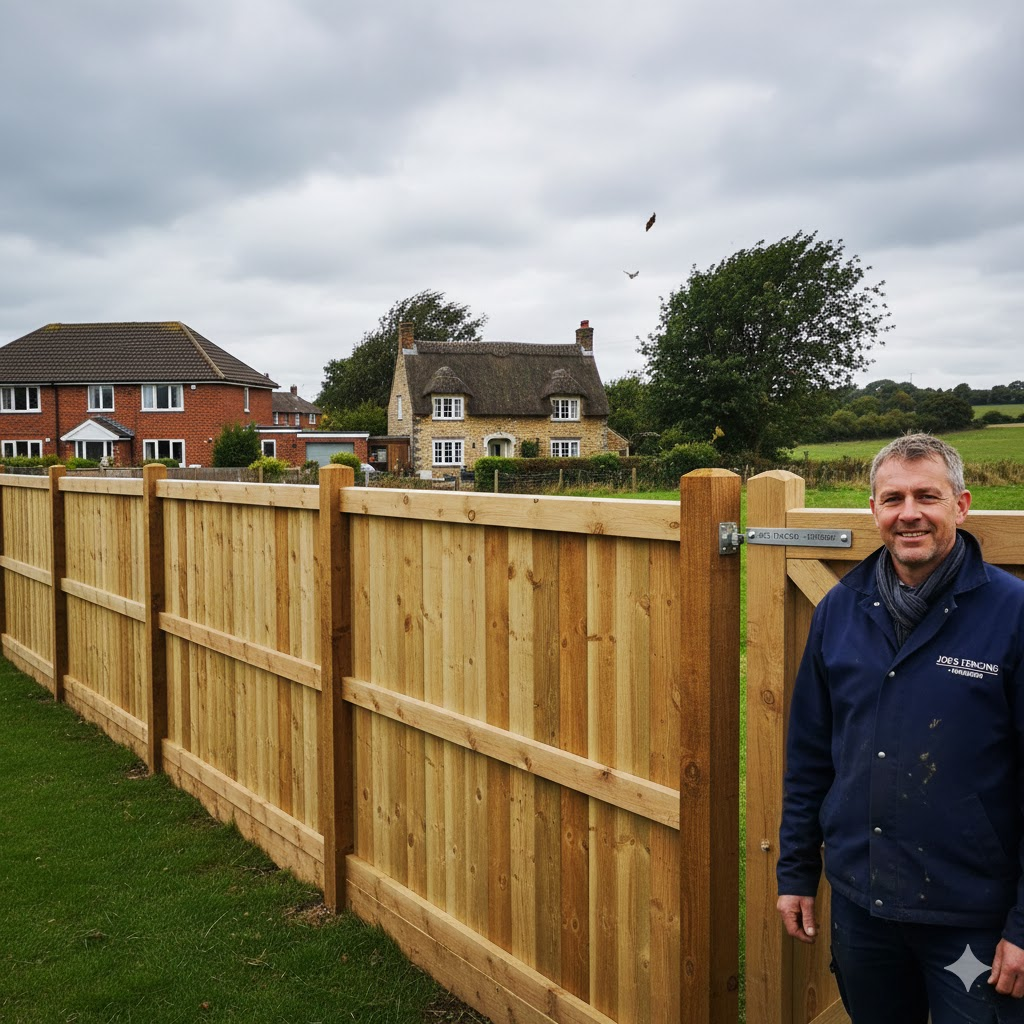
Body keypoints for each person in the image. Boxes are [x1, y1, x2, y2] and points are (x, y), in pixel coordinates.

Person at [776, 433, 1024, 1023]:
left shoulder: (1012, 614)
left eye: (926, 496)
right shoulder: (841, 608)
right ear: (874, 512)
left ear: (960, 506)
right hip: (864, 911)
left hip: (972, 924)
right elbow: (810, 753)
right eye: (892, 499)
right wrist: (795, 872)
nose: (908, 513)